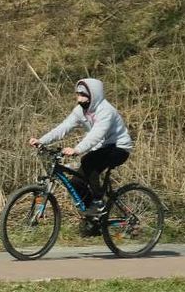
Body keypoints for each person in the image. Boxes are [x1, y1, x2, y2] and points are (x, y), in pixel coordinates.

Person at [29, 77, 132, 213]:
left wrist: (77, 149)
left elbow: (96, 134)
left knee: (88, 161)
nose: (79, 98)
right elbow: (63, 127)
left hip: (119, 148)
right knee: (77, 183)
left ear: (93, 95)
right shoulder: (80, 110)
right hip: (101, 148)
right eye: (78, 94)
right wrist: (42, 140)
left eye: (83, 95)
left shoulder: (106, 110)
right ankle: (94, 218)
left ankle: (98, 202)